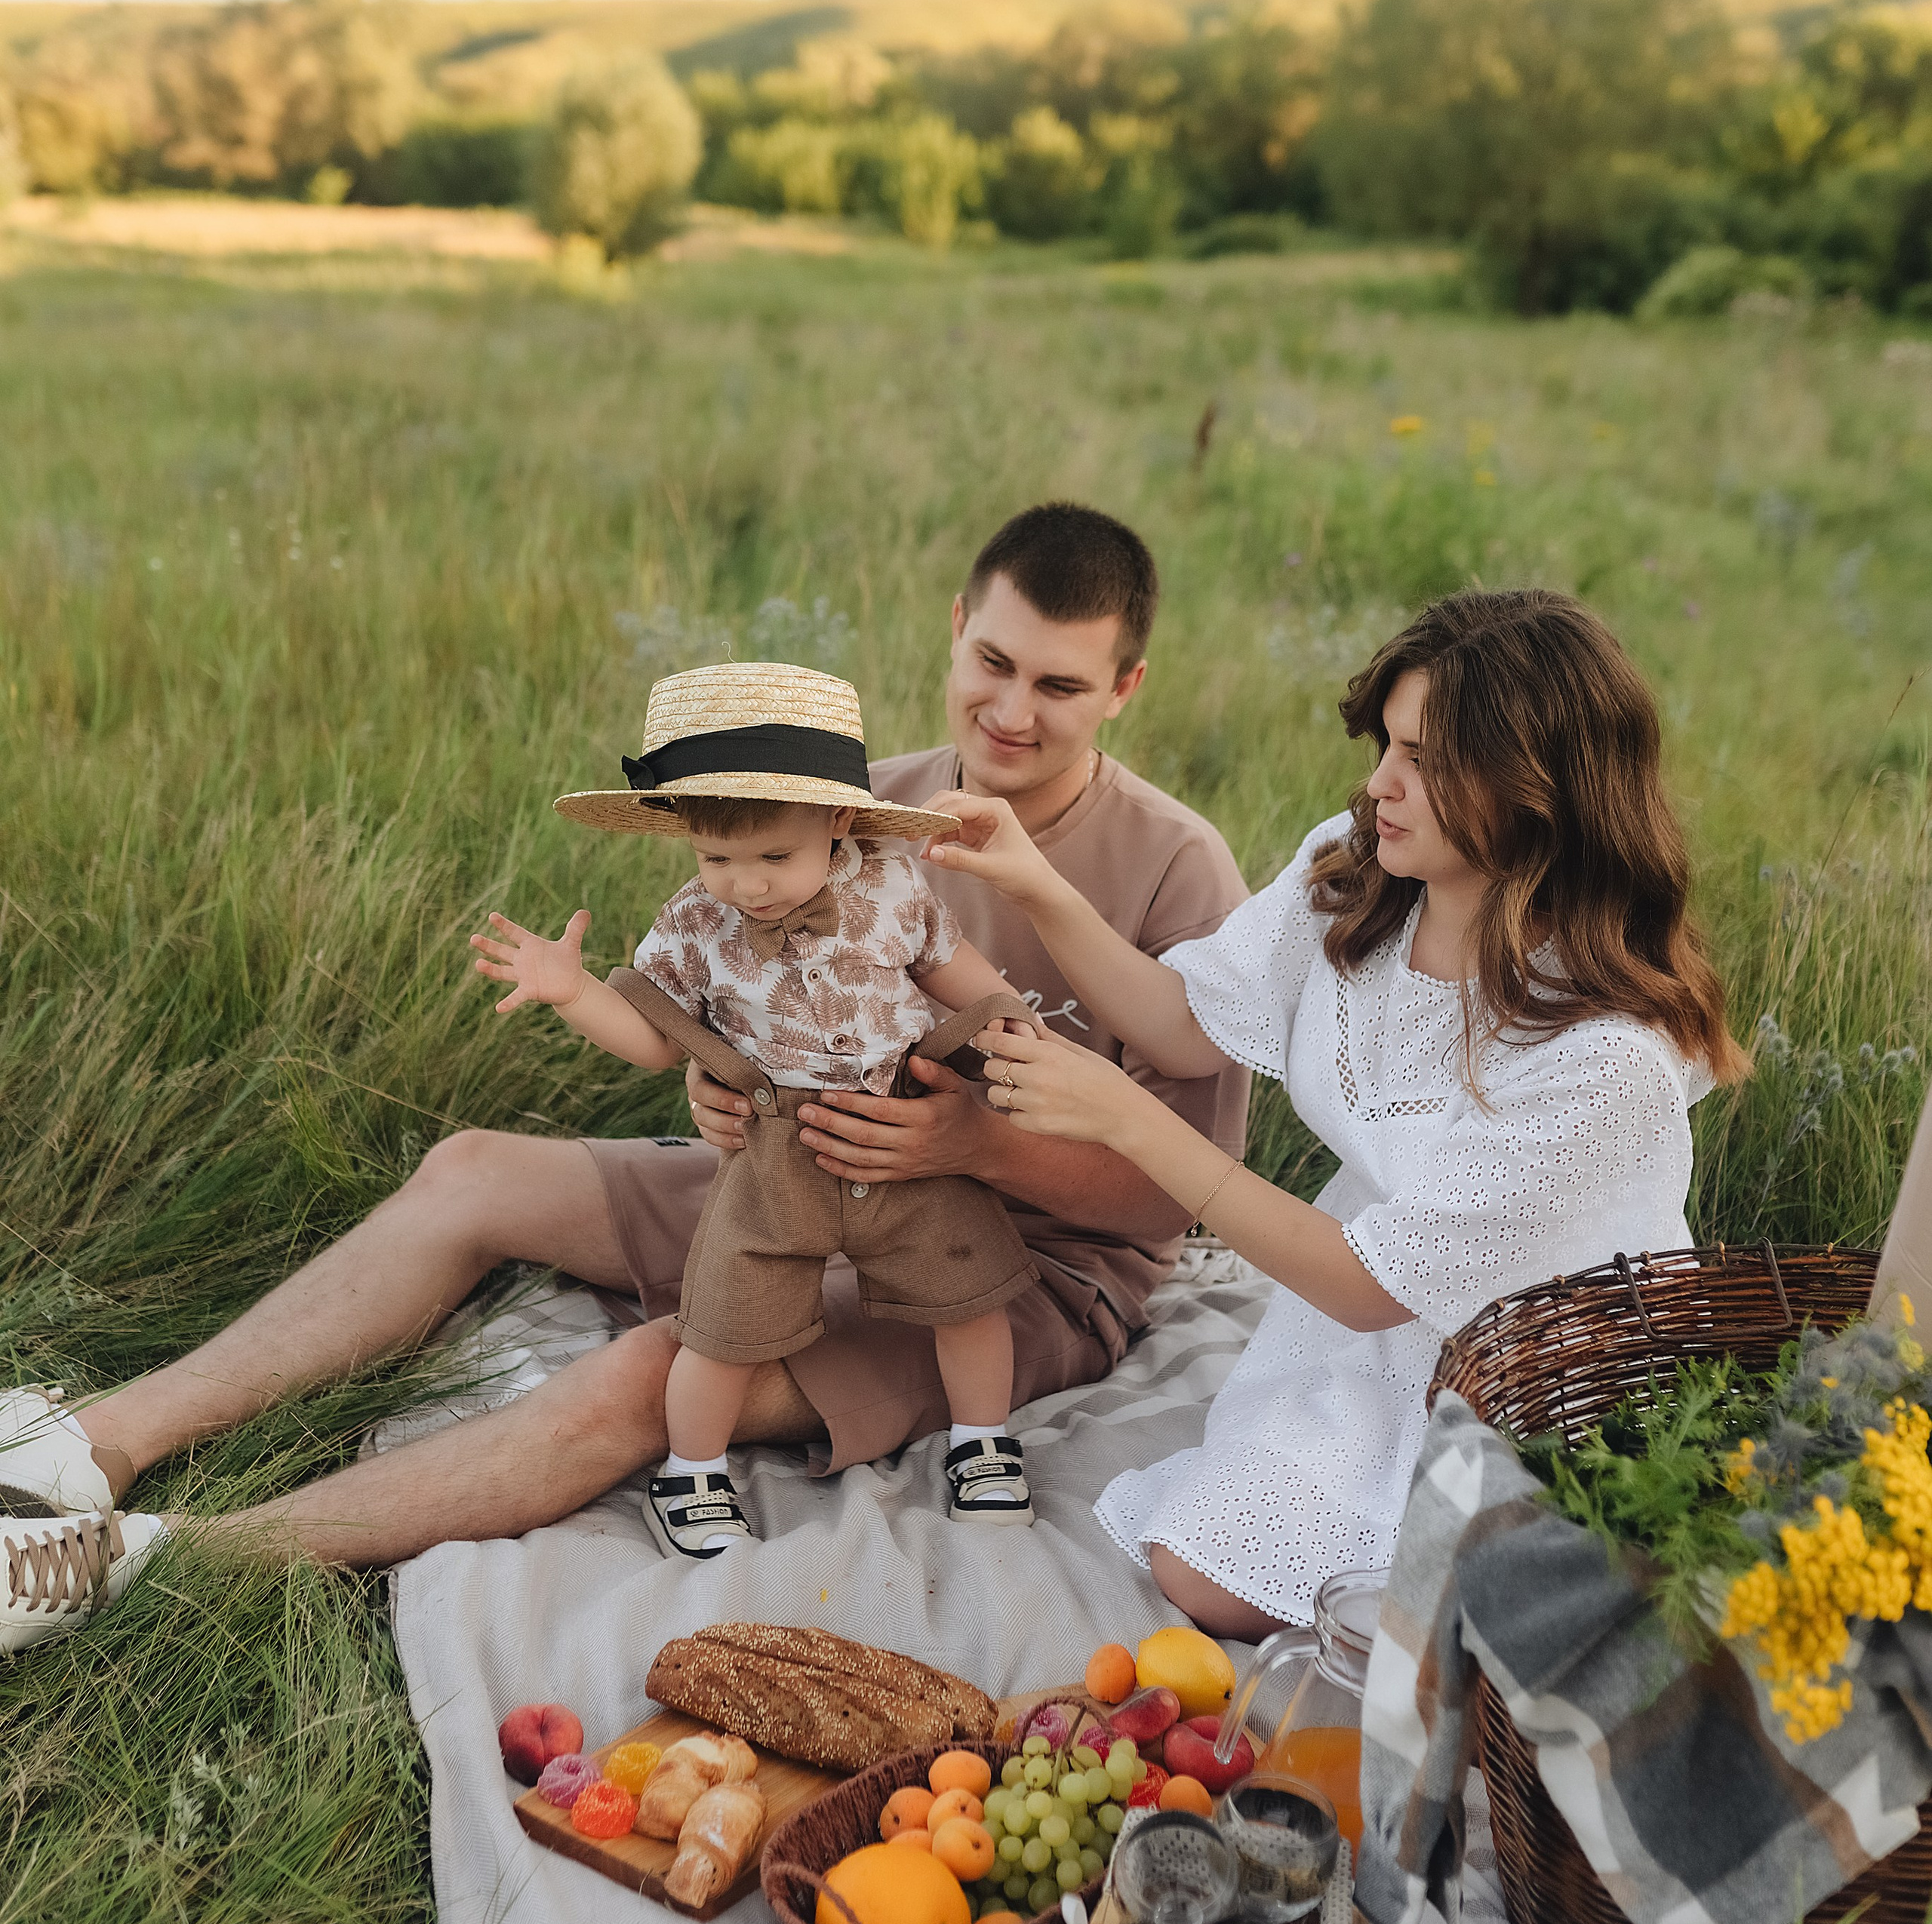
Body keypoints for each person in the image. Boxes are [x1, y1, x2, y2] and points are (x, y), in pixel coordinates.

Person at [0, 503, 1250, 1649]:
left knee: (648, 1372)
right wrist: (713, 1092)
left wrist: (967, 1145)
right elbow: (732, 1006)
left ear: (1125, 689)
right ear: (957, 629)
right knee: (471, 1167)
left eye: (1061, 683)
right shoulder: (847, 802)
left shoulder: (1179, 869)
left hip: (1025, 1260)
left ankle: (161, 1561)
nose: (1013, 709)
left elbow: (1166, 1206)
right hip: (797, 1173)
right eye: (995, 662)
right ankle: (97, 1444)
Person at [932, 587, 1750, 1638]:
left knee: (1252, 1583)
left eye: (1422, 759)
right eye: (1386, 743)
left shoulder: (1605, 1059)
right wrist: (1032, 879)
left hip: (1537, 1362)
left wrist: (1128, 1121)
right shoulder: (1364, 872)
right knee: (1206, 1563)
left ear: (1535, 789)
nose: (1380, 784)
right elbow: (1183, 1022)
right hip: (1365, 1307)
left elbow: (1372, 1284)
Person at [474, 659, 1046, 1554]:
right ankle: (691, 1469)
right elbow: (653, 1036)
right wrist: (572, 990)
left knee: (966, 1294)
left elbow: (956, 975)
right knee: (724, 1321)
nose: (747, 884)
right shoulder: (695, 924)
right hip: (776, 1147)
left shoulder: (892, 887)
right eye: (718, 858)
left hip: (904, 1135)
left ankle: (982, 1441)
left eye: (774, 856)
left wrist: (1011, 1023)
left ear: (838, 819)